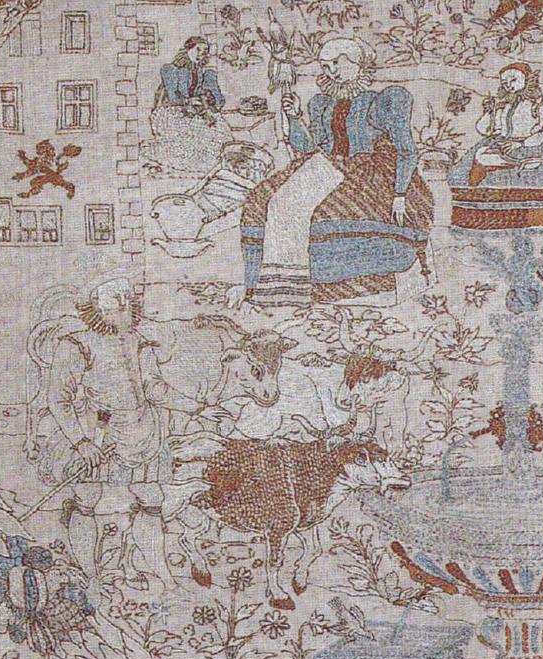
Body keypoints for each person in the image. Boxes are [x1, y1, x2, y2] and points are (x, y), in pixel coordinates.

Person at [31, 277, 229, 585]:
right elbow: (58, 399)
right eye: (117, 307)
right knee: (87, 498)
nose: (126, 312)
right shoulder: (76, 346)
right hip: (99, 432)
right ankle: (92, 577)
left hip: (144, 433)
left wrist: (198, 408)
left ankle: (162, 576)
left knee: (151, 498)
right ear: (99, 312)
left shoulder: (138, 343)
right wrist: (82, 443)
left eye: (128, 306)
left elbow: (154, 389)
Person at [240, 35, 433, 307]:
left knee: (324, 211)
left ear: (356, 63)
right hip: (325, 166)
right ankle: (275, 284)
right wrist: (295, 118)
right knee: (264, 199)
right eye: (325, 66)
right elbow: (308, 148)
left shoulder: (380, 102)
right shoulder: (323, 104)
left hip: (368, 174)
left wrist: (399, 193)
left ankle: (342, 283)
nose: (330, 72)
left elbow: (407, 150)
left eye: (336, 64)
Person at [448, 62, 543, 229]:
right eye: (504, 82)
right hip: (502, 145)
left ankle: (530, 209)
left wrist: (520, 143)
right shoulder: (504, 105)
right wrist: (490, 112)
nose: (508, 85)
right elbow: (484, 130)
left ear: (528, 80)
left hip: (532, 147)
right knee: (476, 159)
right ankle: (483, 213)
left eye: (513, 80)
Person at [157, 37, 225, 118]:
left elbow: (201, 91)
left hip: (193, 110)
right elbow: (172, 97)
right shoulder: (172, 69)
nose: (201, 54)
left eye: (205, 51)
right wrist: (189, 101)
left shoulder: (201, 71)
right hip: (174, 111)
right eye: (198, 49)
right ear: (188, 49)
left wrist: (208, 97)